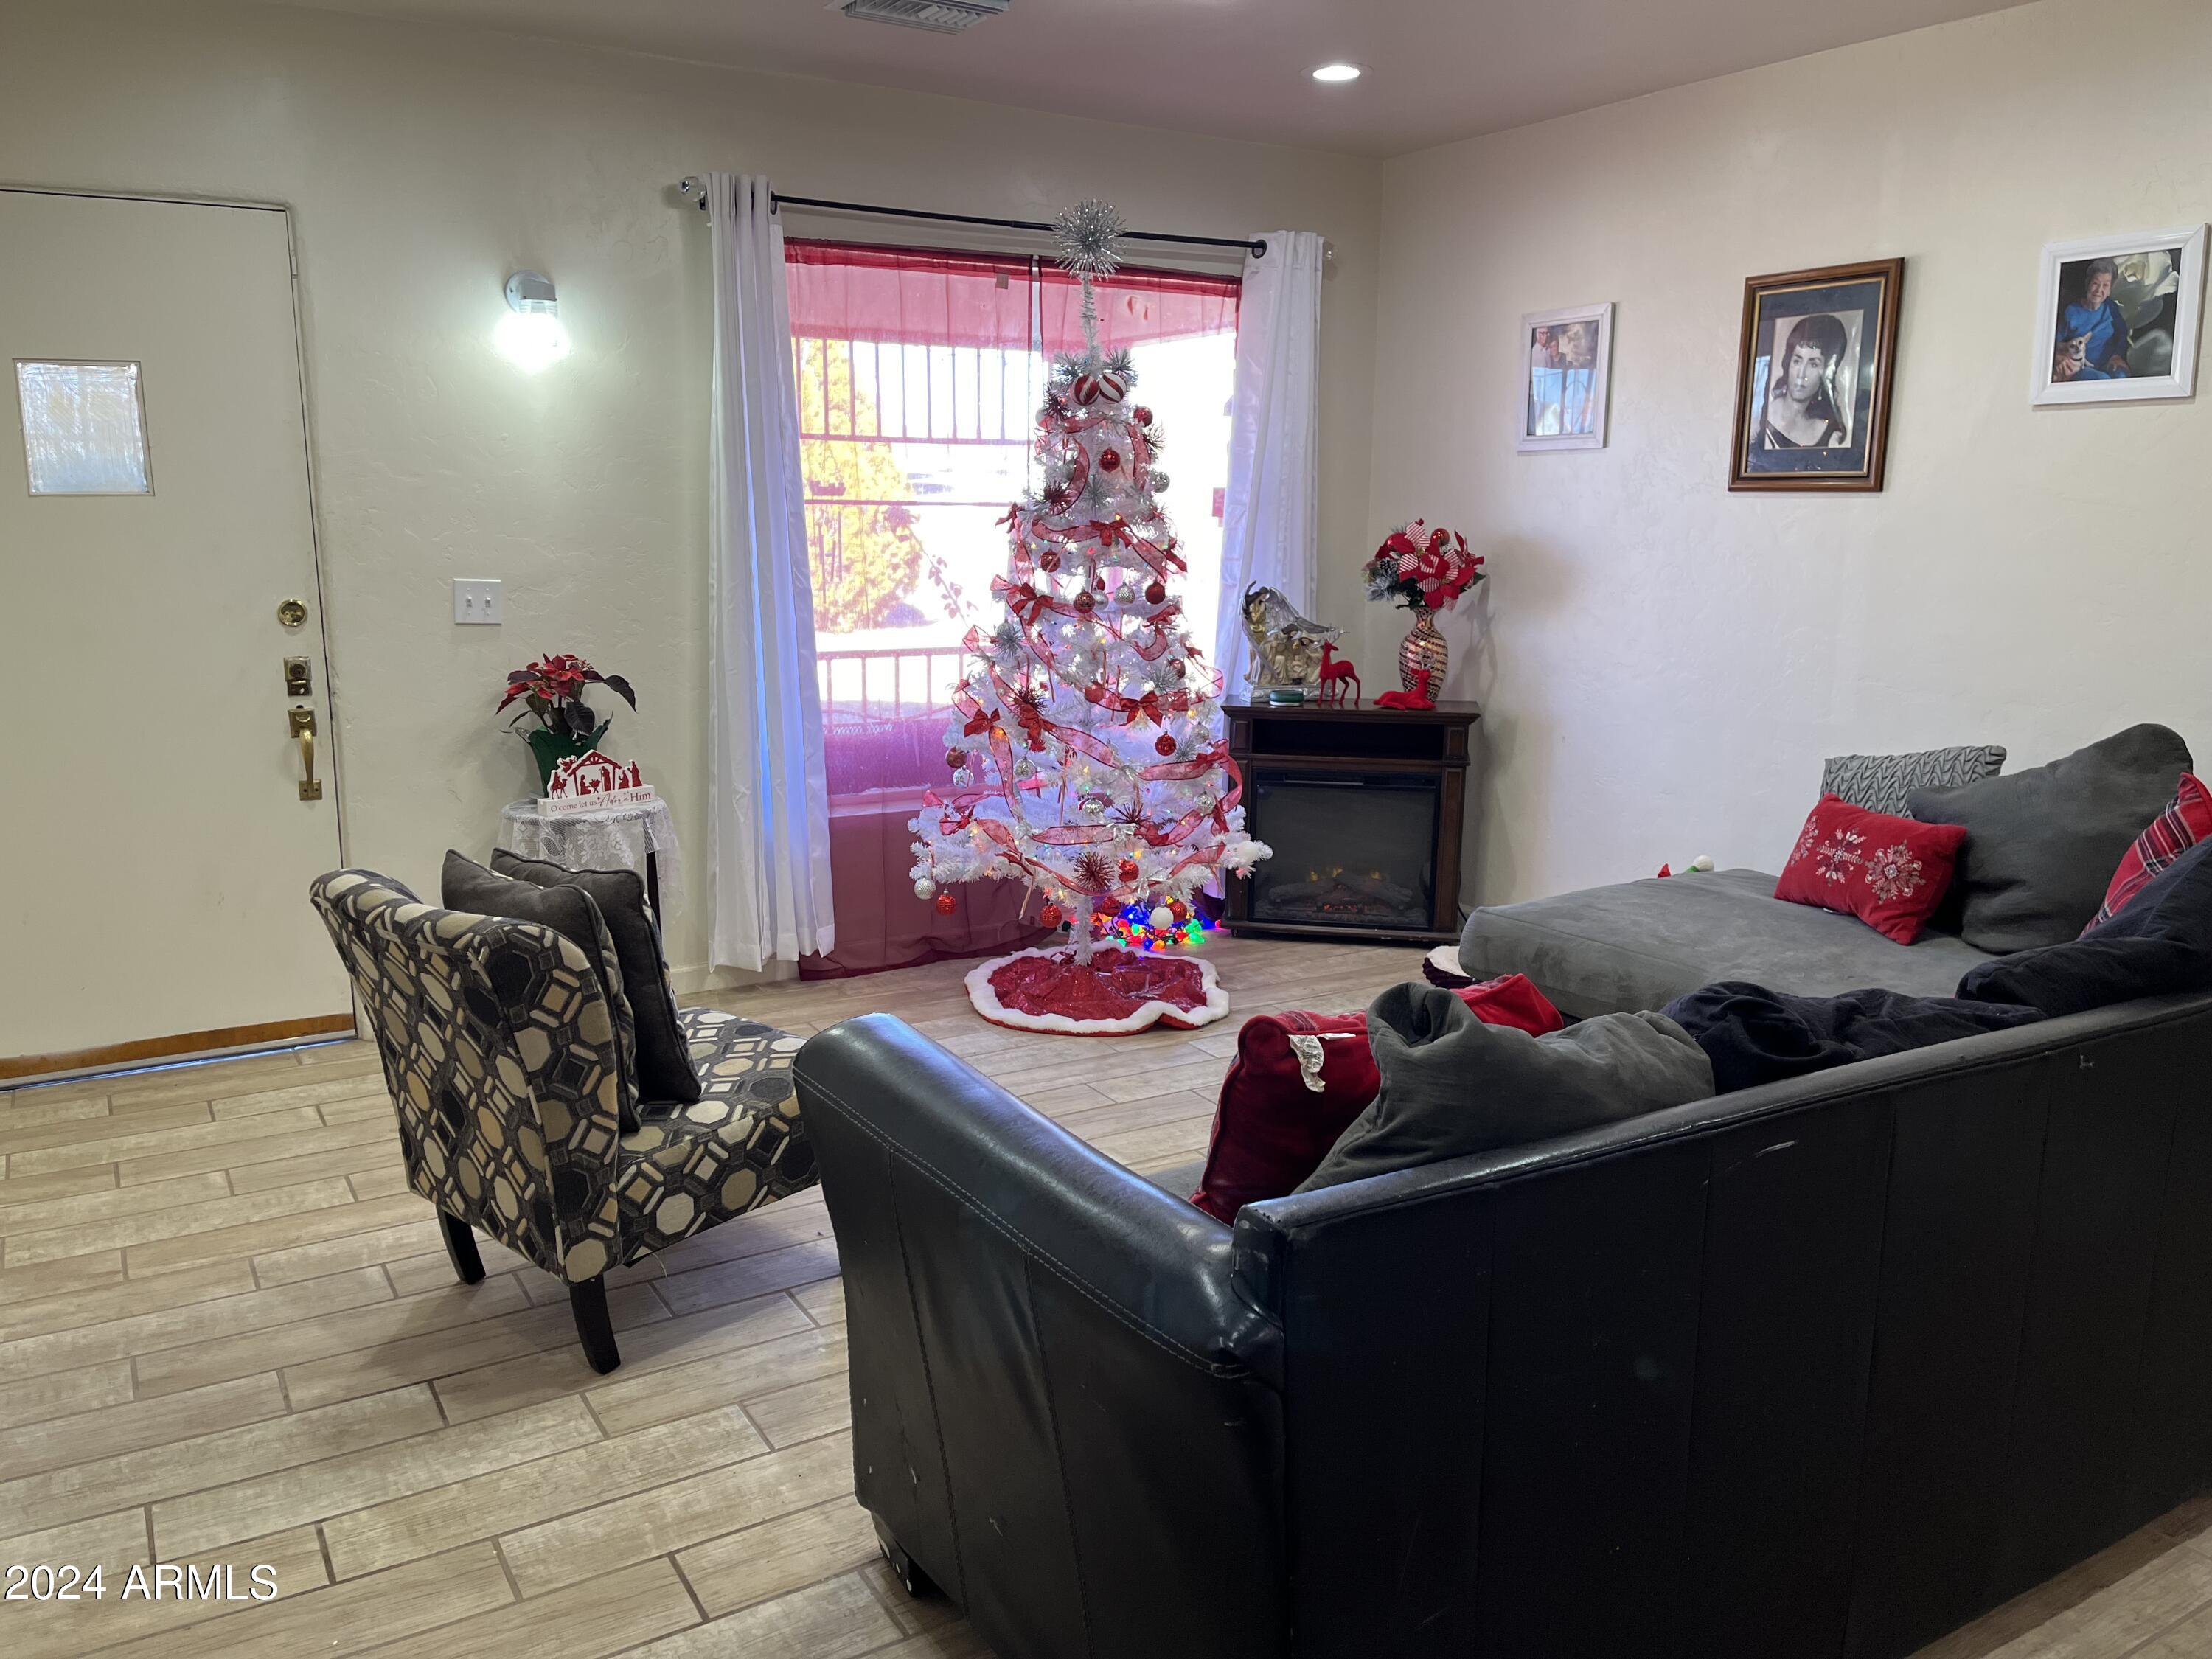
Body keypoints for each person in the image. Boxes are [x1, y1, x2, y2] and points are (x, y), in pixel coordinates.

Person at [1759, 312, 1852, 450]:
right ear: (1788, 362)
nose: (1801, 374)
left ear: (1827, 373)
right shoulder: (1763, 416)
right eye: (1797, 361)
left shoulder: (1831, 436)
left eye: (1813, 364)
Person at [2053, 258, 2132, 381]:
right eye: (2095, 283)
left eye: (2105, 285)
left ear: (2110, 290)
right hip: (2081, 367)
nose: (2099, 290)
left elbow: (2122, 333)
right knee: (2102, 379)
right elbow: (2054, 344)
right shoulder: (2072, 312)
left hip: (2109, 363)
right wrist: (2060, 357)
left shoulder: (2111, 307)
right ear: (2088, 284)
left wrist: (2117, 355)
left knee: (2122, 377)